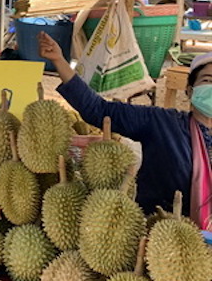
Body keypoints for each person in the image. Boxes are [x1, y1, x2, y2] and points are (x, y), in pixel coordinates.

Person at [38, 31, 211, 228]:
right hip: (153, 235)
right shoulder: (162, 123)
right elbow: (98, 110)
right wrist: (59, 61)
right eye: (207, 80)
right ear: (189, 91)